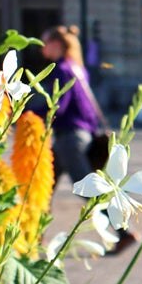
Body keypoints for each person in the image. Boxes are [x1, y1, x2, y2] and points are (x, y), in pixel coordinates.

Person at [40, 25, 106, 186]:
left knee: (87, 188)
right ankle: (37, 210)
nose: (41, 48)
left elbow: (58, 106)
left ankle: (112, 211)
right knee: (45, 182)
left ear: (56, 44)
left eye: (44, 43)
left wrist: (25, 113)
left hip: (70, 138)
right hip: (81, 134)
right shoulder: (77, 68)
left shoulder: (61, 69)